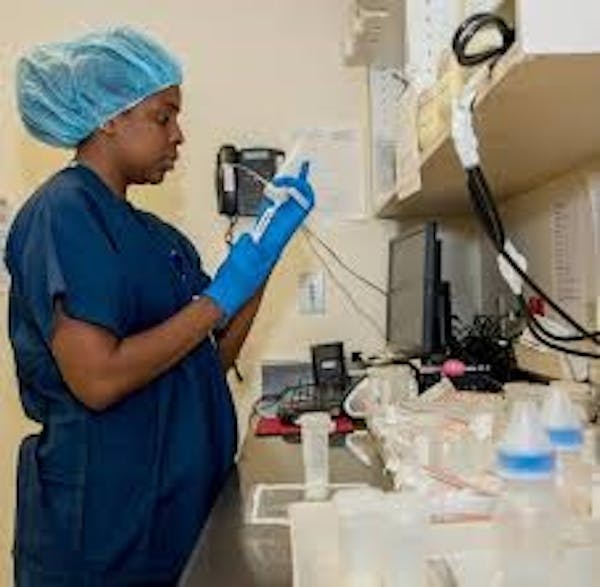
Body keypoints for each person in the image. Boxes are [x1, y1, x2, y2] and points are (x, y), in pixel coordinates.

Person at [6, 26, 315, 586]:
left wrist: (264, 255)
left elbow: (206, 360)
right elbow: (97, 378)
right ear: (109, 116)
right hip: (102, 532)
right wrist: (219, 297)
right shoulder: (64, 212)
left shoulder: (158, 235)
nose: (179, 135)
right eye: (163, 116)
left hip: (176, 517)